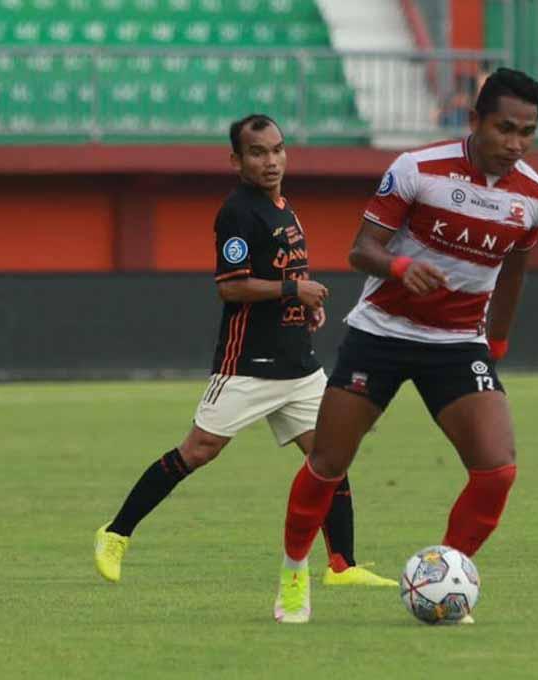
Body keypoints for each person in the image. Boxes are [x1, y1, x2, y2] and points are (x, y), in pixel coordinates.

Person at [273, 68, 538, 624]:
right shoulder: (417, 169)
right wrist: (400, 267)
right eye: (504, 129)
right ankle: (294, 573)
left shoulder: (537, 196)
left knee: (497, 470)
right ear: (475, 121)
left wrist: (496, 342)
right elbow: (361, 250)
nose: (516, 143)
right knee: (327, 462)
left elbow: (514, 272)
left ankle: (445, 577)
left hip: (458, 344)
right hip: (381, 333)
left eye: (527, 132)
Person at [94, 114, 396, 588]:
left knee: (330, 458)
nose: (270, 160)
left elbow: (285, 275)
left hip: (298, 366)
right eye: (257, 153)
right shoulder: (237, 212)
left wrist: (304, 308)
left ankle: (343, 566)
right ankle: (115, 534)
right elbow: (231, 287)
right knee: (198, 451)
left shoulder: (284, 208)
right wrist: (294, 291)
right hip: (248, 365)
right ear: (237, 161)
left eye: (277, 149)